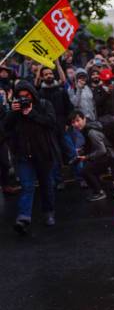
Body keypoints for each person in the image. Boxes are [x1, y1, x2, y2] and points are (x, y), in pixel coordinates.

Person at [3, 81, 59, 233]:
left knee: (46, 184)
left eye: (27, 96)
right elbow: (5, 128)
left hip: (43, 154)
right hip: (23, 155)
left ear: (32, 94)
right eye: (21, 97)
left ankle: (48, 213)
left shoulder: (44, 105)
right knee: (27, 186)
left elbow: (52, 123)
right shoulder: (15, 111)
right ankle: (23, 218)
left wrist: (32, 114)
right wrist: (13, 112)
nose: (24, 100)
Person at [69, 110, 114, 201]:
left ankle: (100, 192)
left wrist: (87, 157)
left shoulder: (91, 132)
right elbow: (91, 145)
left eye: (78, 120)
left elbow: (101, 150)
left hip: (108, 156)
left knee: (86, 171)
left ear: (84, 119)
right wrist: (83, 150)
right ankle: (111, 187)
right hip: (107, 155)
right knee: (89, 170)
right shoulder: (87, 128)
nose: (76, 124)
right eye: (73, 122)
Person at [38, 63, 72, 189]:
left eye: (50, 73)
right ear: (42, 77)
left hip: (63, 126)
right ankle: (58, 180)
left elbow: (68, 107)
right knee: (54, 156)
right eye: (46, 74)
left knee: (71, 152)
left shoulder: (61, 90)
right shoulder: (40, 93)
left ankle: (81, 177)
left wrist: (68, 123)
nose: (48, 76)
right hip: (49, 129)